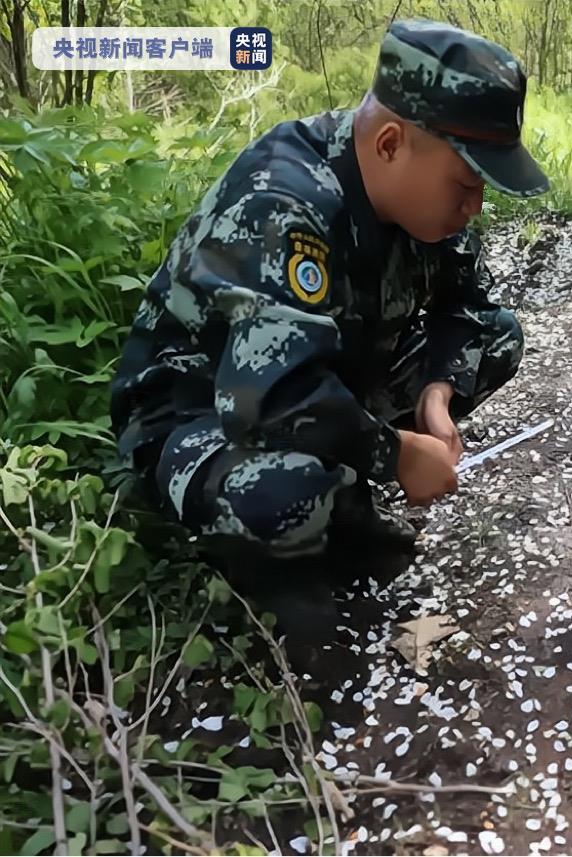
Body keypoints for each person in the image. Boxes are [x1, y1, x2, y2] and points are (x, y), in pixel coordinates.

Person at [110, 20, 547, 644]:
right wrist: (396, 454)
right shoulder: (282, 199)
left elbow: (469, 307)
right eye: (465, 184)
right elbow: (266, 396)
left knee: (498, 336)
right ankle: (294, 554)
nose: (473, 206)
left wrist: (438, 391)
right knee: (285, 494)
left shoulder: (424, 204)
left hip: (327, 374)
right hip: (205, 409)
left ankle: (343, 481)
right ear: (391, 144)